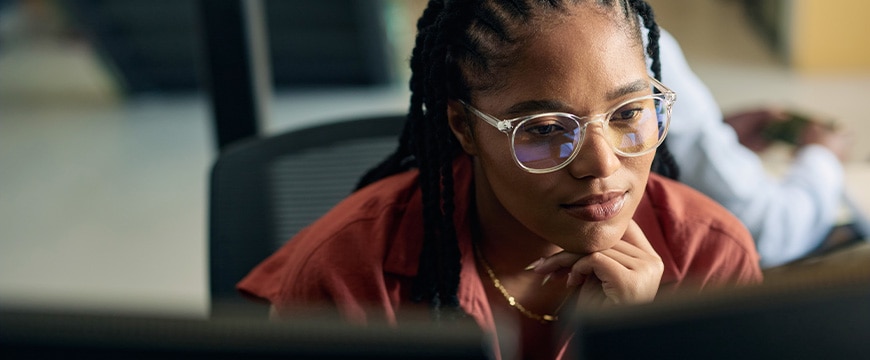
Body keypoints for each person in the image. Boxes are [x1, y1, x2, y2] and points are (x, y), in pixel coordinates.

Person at [238, 1, 762, 358]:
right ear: (463, 126)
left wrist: (632, 341)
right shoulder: (349, 277)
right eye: (546, 129)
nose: (601, 165)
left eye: (628, 113)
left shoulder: (709, 260)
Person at [657, 29, 852, 268]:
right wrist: (823, 158)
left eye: (627, 115)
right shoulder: (637, 34)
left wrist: (716, 135)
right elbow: (769, 231)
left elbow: (672, 143)